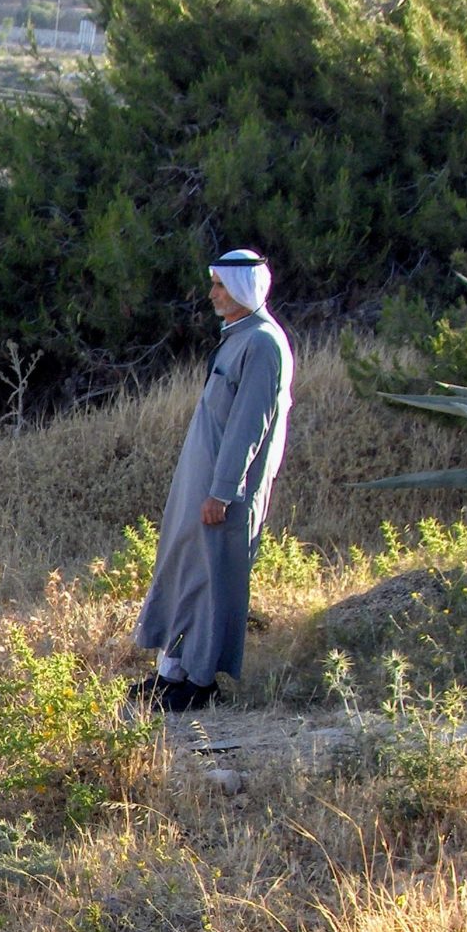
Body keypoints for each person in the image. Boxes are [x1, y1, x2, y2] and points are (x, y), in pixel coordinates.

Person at [130, 249, 294, 713]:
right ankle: (171, 673)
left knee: (212, 580)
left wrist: (222, 491)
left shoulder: (263, 343)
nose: (212, 294)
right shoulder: (239, 338)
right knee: (185, 570)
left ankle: (199, 684)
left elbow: (249, 426)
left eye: (220, 285)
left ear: (242, 287)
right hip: (200, 482)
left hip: (223, 490)